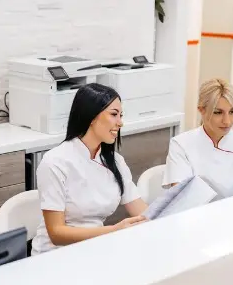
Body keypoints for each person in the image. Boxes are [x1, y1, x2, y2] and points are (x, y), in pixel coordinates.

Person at [31, 83, 148, 255]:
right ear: (91, 116)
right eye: (114, 115)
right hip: (54, 256)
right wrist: (114, 230)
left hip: (95, 249)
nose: (120, 123)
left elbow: (142, 212)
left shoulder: (115, 162)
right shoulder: (55, 162)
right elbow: (57, 234)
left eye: (121, 115)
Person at [162, 78, 233, 197]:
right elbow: (182, 199)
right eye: (218, 112)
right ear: (201, 110)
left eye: (232, 112)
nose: (227, 121)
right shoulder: (181, 145)